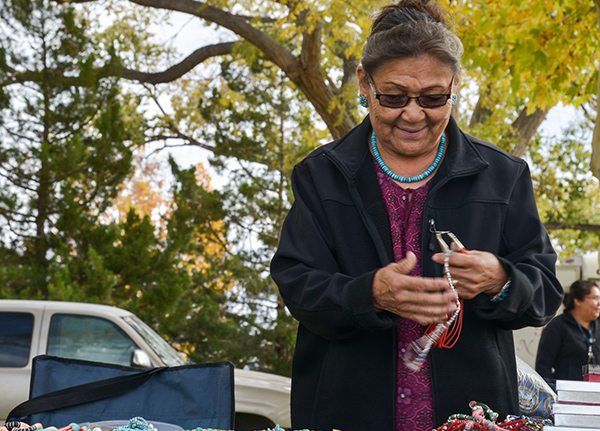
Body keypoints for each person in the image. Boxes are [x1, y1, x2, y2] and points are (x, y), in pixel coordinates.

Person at [270, 1, 564, 430]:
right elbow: (296, 284)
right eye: (392, 96)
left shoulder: (504, 176)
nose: (412, 114)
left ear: (455, 85)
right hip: (346, 412)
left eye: (432, 97)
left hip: (474, 416)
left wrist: (500, 279)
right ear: (363, 84)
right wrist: (368, 294)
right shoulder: (321, 175)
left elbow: (545, 291)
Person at [536, 280, 600, 385]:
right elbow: (543, 367)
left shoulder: (597, 326)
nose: (599, 303)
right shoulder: (557, 326)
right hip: (567, 394)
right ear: (578, 301)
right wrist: (555, 391)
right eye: (595, 298)